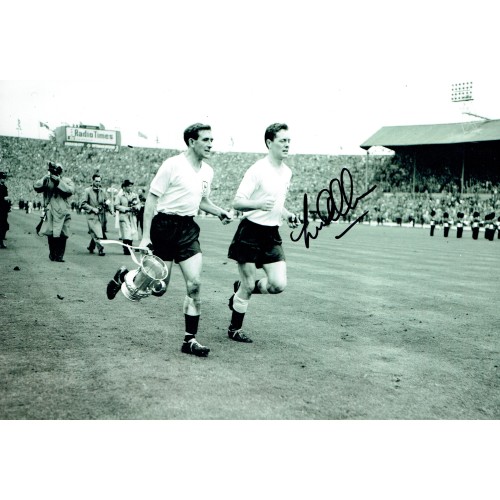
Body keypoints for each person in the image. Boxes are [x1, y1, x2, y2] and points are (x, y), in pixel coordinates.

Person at [107, 123, 233, 357]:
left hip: (188, 230)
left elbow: (202, 201)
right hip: (164, 227)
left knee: (194, 284)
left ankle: (190, 340)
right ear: (191, 141)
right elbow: (151, 201)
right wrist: (145, 237)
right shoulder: (172, 165)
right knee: (159, 288)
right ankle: (124, 275)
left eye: (211, 140)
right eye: (205, 140)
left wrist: (220, 211)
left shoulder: (208, 171)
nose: (210, 144)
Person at [226, 123, 299, 344]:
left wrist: (287, 214)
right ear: (269, 143)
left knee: (278, 285)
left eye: (289, 141)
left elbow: (277, 203)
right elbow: (237, 202)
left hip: (271, 234)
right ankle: (234, 329)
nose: (287, 145)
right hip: (250, 233)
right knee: (249, 285)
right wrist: (258, 203)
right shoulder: (257, 169)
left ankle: (239, 290)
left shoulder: (287, 172)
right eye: (282, 141)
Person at [33, 161, 75, 262]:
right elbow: (36, 187)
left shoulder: (67, 181)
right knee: (51, 233)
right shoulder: (47, 179)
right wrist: (45, 178)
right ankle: (53, 253)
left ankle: (60, 256)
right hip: (50, 210)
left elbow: (70, 191)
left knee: (63, 234)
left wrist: (58, 182)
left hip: (63, 211)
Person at [81, 173, 112, 256]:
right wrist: (93, 209)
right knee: (97, 232)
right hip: (91, 215)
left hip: (101, 215)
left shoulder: (102, 191)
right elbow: (83, 204)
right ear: (93, 181)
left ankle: (91, 247)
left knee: (96, 231)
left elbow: (106, 201)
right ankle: (100, 249)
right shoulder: (87, 191)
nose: (98, 183)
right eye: (96, 181)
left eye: (99, 181)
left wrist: (108, 207)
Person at [114, 179, 140, 255]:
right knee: (126, 233)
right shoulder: (120, 195)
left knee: (132, 232)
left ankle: (129, 247)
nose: (130, 188)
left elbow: (138, 204)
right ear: (124, 187)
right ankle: (126, 249)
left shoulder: (135, 195)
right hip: (124, 215)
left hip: (132, 216)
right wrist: (126, 209)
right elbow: (116, 206)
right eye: (128, 186)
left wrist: (136, 207)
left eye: (131, 186)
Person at [0, 171, 11, 249]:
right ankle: (1, 242)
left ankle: (1, 241)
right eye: (2, 178)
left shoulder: (4, 187)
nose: (4, 179)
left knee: (4, 225)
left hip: (3, 209)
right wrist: (3, 198)